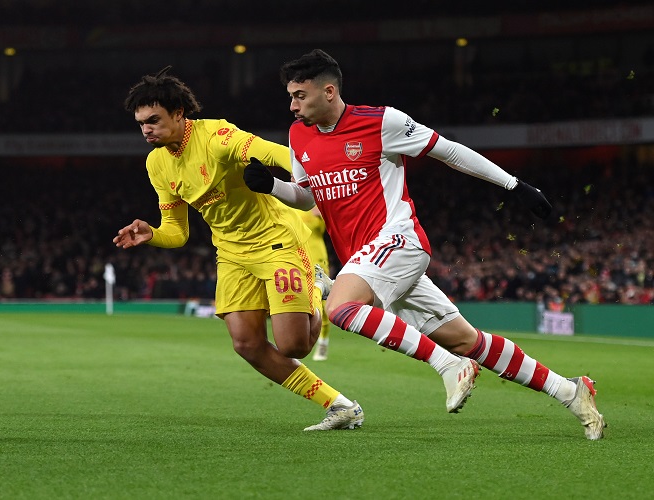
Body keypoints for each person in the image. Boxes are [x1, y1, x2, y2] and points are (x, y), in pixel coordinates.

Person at [243, 49, 606, 440]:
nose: (292, 105)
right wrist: (273, 186)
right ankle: (570, 391)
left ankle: (448, 366)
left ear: (329, 91)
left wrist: (513, 185)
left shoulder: (381, 122)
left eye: (300, 95)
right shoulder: (299, 135)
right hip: (368, 260)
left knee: (341, 308)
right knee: (467, 340)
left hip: (398, 239)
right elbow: (308, 197)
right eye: (291, 96)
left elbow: (448, 151)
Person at [115, 67, 412, 431]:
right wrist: (152, 234)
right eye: (141, 123)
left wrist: (312, 182)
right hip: (231, 254)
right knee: (246, 343)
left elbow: (280, 154)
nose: (146, 130)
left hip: (275, 242)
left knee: (293, 346)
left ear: (178, 113)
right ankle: (341, 406)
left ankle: (317, 287)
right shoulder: (157, 163)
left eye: (153, 120)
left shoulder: (217, 137)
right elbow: (177, 233)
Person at [298, 207, 332, 361]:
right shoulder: (288, 205)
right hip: (297, 258)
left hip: (317, 259)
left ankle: (323, 342)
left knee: (321, 302)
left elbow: (331, 228)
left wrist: (324, 213)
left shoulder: (318, 206)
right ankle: (300, 342)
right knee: (299, 301)